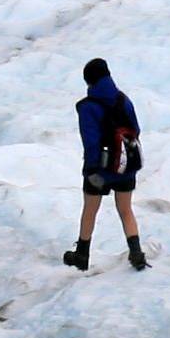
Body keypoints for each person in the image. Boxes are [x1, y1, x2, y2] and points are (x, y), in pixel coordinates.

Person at [66, 59, 144, 272]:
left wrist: (91, 169)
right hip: (124, 165)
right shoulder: (123, 100)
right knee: (126, 209)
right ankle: (136, 253)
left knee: (90, 210)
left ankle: (82, 254)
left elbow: (91, 142)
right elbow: (135, 130)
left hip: (99, 169)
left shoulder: (88, 107)